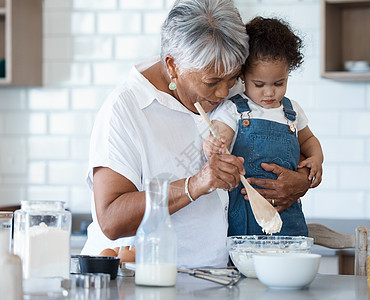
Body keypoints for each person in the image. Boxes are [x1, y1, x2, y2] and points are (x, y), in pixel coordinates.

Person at [82, 0, 311, 269]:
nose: (225, 92)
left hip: (216, 279)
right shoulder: (126, 108)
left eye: (233, 77)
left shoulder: (236, 90)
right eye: (212, 82)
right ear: (172, 66)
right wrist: (195, 184)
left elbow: (295, 147)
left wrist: (301, 182)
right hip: (144, 281)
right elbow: (111, 218)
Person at [204, 17, 323, 237]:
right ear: (243, 76)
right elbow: (221, 135)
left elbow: (308, 140)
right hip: (247, 216)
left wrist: (316, 158)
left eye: (279, 83)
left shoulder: (292, 111)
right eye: (259, 85)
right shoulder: (234, 109)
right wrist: (215, 144)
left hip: (289, 214)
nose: (269, 93)